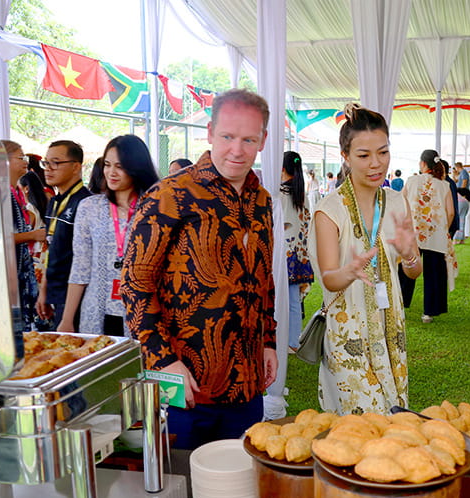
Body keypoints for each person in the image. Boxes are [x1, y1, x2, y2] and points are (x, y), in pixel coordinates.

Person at [122, 89, 278, 448]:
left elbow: (263, 279)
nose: (237, 150)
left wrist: (268, 341)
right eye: (227, 137)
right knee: (181, 491)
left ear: (263, 141)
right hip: (185, 386)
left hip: (247, 387)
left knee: (240, 486)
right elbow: (135, 285)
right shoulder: (170, 195)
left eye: (248, 139)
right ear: (209, 132)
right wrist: (162, 361)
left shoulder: (262, 201)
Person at [308, 103, 421, 415]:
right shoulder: (329, 210)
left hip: (391, 331)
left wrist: (410, 253)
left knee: (393, 422)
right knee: (362, 423)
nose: (376, 164)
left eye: (383, 152)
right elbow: (329, 279)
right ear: (345, 156)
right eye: (364, 155)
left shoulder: (398, 202)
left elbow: (413, 272)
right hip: (348, 334)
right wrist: (350, 270)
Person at [58, 135, 158, 336]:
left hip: (144, 313)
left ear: (136, 167)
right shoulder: (89, 207)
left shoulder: (155, 209)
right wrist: (67, 319)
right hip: (96, 312)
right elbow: (80, 266)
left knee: (140, 365)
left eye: (120, 166)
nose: (111, 173)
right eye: (107, 165)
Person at [36, 140, 92, 329]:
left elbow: (83, 262)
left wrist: (68, 315)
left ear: (76, 167)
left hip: (77, 298)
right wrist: (44, 291)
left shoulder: (86, 203)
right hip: (56, 293)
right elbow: (51, 248)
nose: (48, 169)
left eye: (56, 163)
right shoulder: (54, 202)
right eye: (46, 163)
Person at [403, 149, 456, 324]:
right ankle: (429, 312)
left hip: (413, 232)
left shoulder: (411, 181)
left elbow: (401, 205)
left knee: (406, 269)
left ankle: (400, 304)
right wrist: (443, 230)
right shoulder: (444, 185)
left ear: (423, 164)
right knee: (434, 273)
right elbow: (450, 213)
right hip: (436, 235)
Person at [3, 140, 43, 331]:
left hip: (21, 273)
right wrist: (33, 235)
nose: (25, 161)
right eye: (20, 157)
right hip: (7, 277)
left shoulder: (15, 191)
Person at [280, 151, 315, 353]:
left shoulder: (279, 194)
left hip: (284, 253)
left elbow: (280, 224)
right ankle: (293, 341)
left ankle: (282, 339)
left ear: (283, 169)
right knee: (294, 301)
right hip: (300, 253)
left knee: (279, 300)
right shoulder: (302, 194)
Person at [18, 171, 50, 285]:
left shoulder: (29, 210)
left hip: (34, 260)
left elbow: (25, 234)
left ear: (26, 189)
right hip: (44, 257)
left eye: (19, 188)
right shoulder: (44, 205)